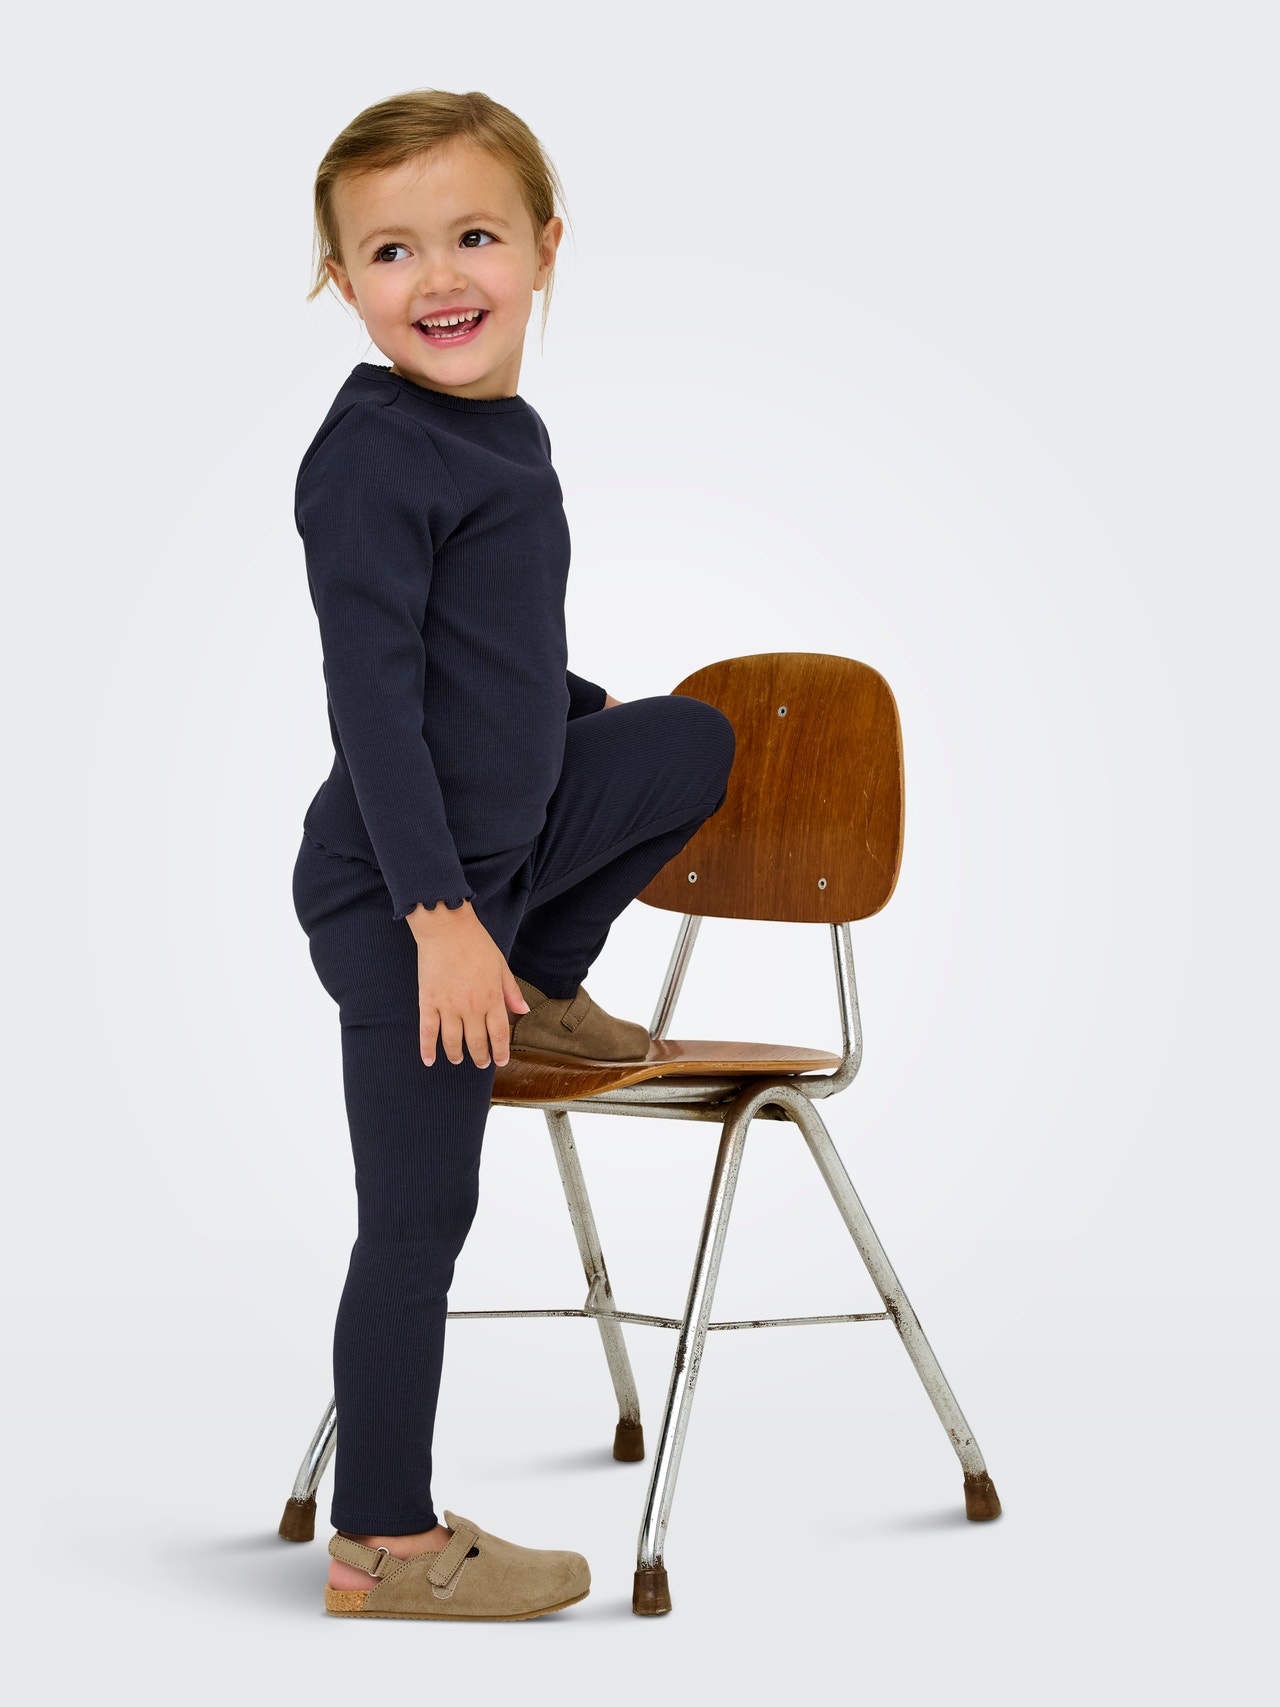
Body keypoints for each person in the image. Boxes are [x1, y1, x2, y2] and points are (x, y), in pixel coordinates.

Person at [290, 88, 736, 1622]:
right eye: (391, 251)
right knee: (420, 1218)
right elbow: (373, 698)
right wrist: (438, 919)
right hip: (396, 892)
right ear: (342, 284)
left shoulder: (498, 432)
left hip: (500, 861)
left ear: (545, 248)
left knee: (685, 742)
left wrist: (563, 709)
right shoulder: (370, 459)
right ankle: (386, 1545)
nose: (438, 276)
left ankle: (542, 981)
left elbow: (471, 642)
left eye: (473, 235)